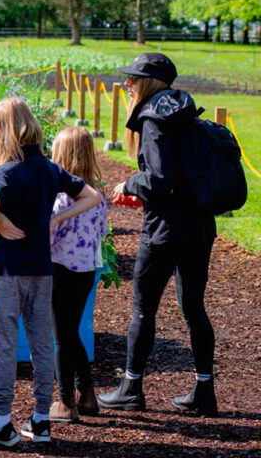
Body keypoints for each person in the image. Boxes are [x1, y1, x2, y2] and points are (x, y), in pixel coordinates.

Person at [98, 53, 218, 416]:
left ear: (148, 84)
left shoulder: (153, 118)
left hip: (165, 231)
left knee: (142, 310)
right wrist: (145, 192)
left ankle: (131, 387)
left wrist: (129, 182)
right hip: (199, 226)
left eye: (133, 79)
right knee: (194, 308)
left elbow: (160, 179)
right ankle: (204, 392)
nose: (127, 85)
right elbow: (179, 177)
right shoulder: (188, 115)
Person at [0, 98, 101, 447]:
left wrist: (2, 221)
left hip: (8, 270)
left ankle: (2, 421)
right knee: (42, 345)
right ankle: (41, 419)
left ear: (3, 133)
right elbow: (90, 196)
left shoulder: (5, 171)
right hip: (42, 269)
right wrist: (57, 218)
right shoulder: (49, 168)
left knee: (5, 343)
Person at [49, 127, 108, 423]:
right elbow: (101, 233)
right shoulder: (96, 195)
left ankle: (64, 402)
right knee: (71, 332)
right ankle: (87, 394)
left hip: (59, 270)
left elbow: (49, 235)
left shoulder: (60, 198)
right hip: (86, 272)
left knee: (60, 336)